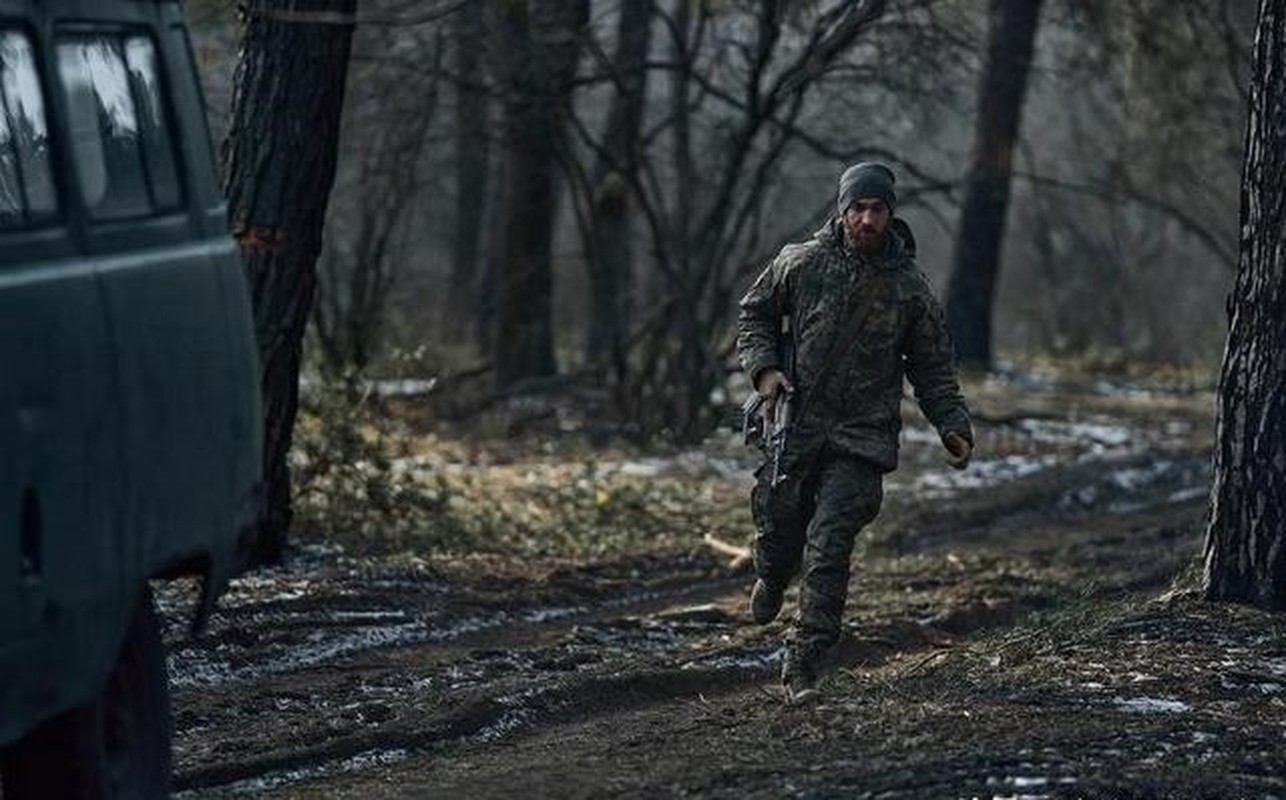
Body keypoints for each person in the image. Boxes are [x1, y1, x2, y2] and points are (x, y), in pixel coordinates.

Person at [736, 161, 973, 703]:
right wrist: (766, 370)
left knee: (829, 547)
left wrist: (952, 426)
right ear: (842, 211)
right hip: (796, 426)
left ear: (891, 214)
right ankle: (771, 574)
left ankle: (805, 663)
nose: (868, 219)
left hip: (863, 438)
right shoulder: (800, 263)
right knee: (778, 528)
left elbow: (933, 367)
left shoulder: (909, 288)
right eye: (858, 208)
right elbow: (755, 316)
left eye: (878, 209)